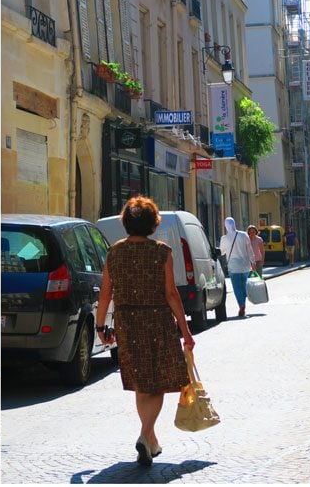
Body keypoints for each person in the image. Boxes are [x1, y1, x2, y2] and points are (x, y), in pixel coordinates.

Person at [96, 196, 195, 467]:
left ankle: (151, 440)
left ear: (126, 223)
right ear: (153, 224)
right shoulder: (162, 251)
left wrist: (100, 326)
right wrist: (185, 331)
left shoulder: (114, 252)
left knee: (141, 382)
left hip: (127, 323)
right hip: (158, 321)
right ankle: (144, 436)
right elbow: (172, 294)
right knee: (159, 382)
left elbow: (105, 295)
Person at [219, 217, 255, 318]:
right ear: (234, 224)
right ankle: (243, 305)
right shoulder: (244, 235)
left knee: (237, 288)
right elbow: (250, 250)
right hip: (245, 266)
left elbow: (222, 252)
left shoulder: (224, 238)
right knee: (244, 287)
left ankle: (241, 305)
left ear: (226, 226)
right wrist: (253, 262)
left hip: (233, 267)